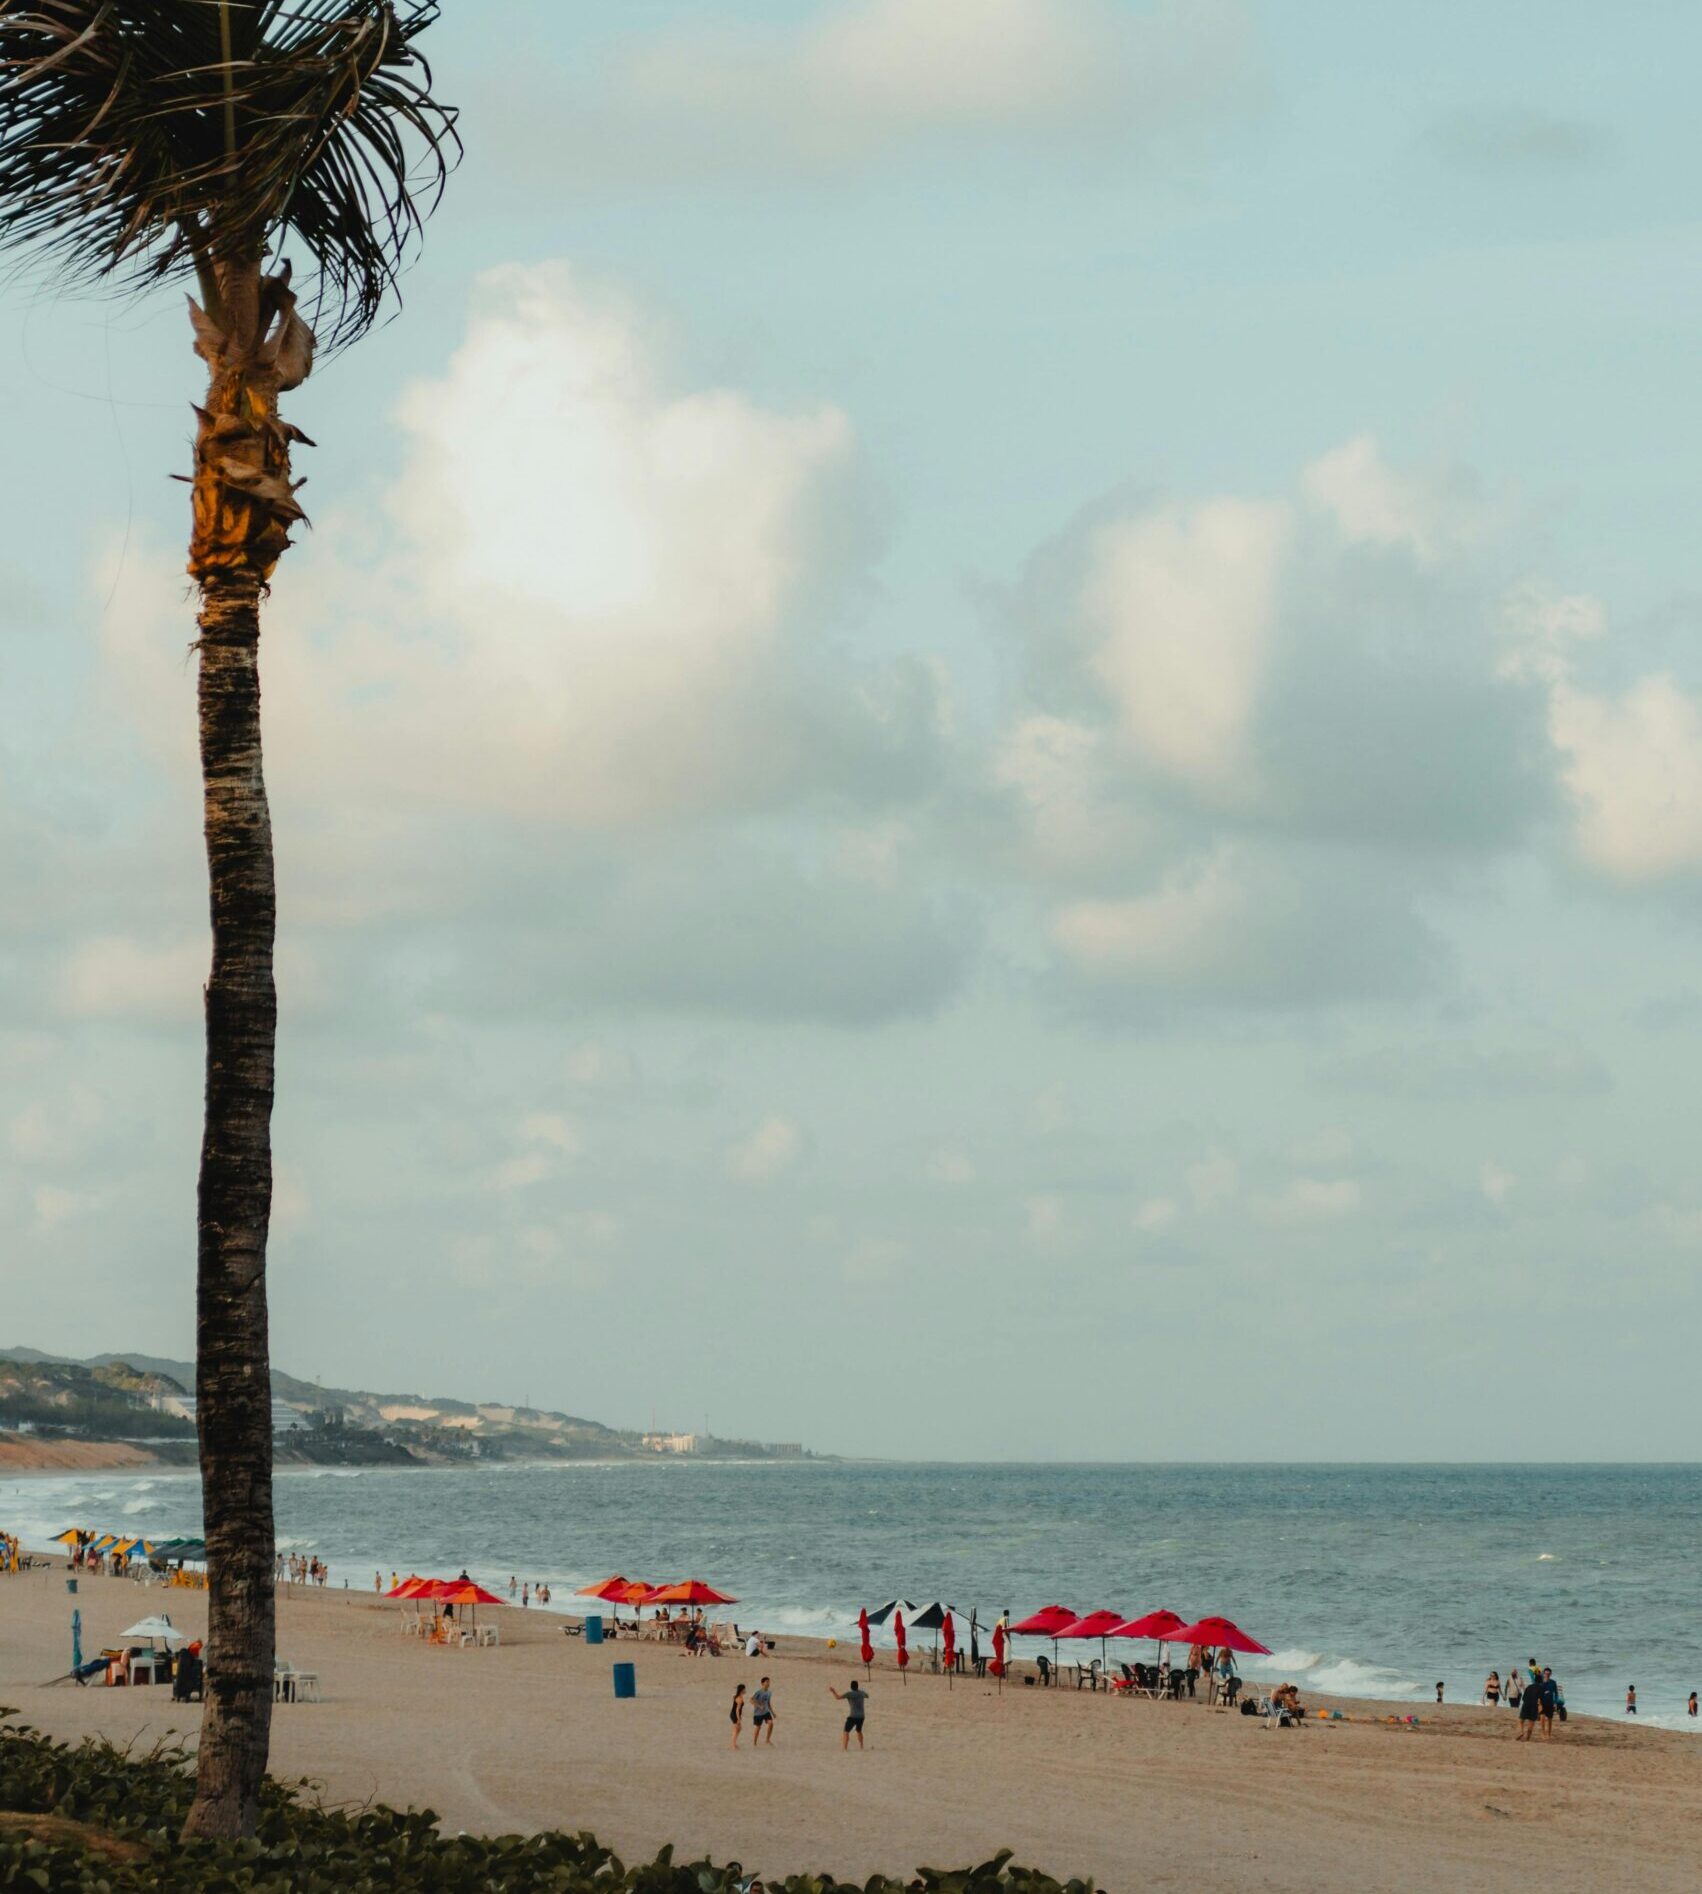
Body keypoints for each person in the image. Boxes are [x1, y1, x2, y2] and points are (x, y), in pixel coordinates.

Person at [830, 1678, 869, 1750]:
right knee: (859, 1730)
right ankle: (861, 1746)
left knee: (846, 1731)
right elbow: (867, 1695)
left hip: (853, 1716)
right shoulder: (861, 1693)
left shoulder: (849, 1694)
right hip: (861, 1716)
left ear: (851, 1687)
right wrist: (861, 1692)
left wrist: (833, 1691)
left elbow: (837, 1697)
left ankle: (845, 1748)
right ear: (857, 1686)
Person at [1517, 1672, 1542, 1741]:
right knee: (1531, 1723)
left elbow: (1523, 1698)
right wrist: (1539, 1712)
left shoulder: (1529, 1686)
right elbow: (1540, 1701)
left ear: (1535, 1680)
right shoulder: (1541, 1688)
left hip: (1526, 1705)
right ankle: (1527, 1738)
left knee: (1521, 1720)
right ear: (1541, 1681)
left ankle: (1521, 1732)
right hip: (1534, 1707)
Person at [752, 1676, 775, 1746]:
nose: (768, 1683)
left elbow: (768, 1703)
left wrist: (773, 1713)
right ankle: (754, 1743)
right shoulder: (758, 1692)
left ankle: (767, 1740)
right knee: (758, 1728)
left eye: (769, 1682)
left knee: (771, 1723)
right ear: (762, 1683)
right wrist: (759, 1706)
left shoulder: (769, 1693)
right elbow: (751, 1700)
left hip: (766, 1712)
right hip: (758, 1714)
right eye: (767, 1682)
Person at [1539, 1668, 1559, 1739]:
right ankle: (1542, 1733)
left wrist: (1555, 1703)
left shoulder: (1553, 1682)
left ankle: (1549, 1734)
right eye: (1546, 1673)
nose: (1547, 1675)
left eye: (1548, 1674)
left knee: (1550, 1719)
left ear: (1550, 1674)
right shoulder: (1541, 1682)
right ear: (1543, 1674)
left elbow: (1556, 1693)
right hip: (1542, 1703)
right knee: (1542, 1719)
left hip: (1550, 1703)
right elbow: (1538, 1692)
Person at [729, 1682, 746, 1748]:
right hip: (735, 1714)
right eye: (744, 1689)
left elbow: (733, 1696)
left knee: (739, 1729)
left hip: (734, 1714)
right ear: (742, 1690)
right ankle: (733, 1745)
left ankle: (734, 1743)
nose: (745, 1690)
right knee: (736, 1729)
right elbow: (737, 1710)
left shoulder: (737, 1696)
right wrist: (739, 1718)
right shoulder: (740, 1699)